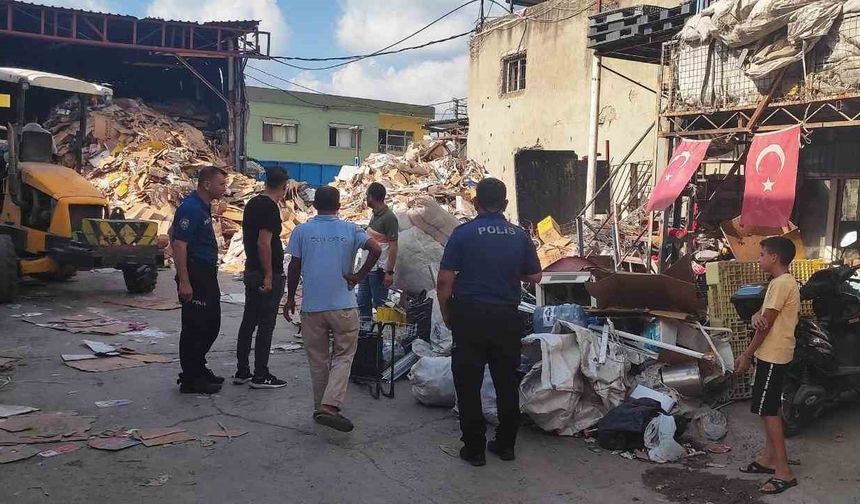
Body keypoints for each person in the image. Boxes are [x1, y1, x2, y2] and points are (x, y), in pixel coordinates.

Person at [436, 178, 542, 467]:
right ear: (505, 205)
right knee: (506, 382)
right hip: (506, 317)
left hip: (469, 317)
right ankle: (506, 445)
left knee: (468, 385)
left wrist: (448, 314)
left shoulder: (463, 234)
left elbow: (445, 280)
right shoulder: (519, 236)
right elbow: (535, 277)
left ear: (475, 203)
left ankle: (474, 449)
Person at [284, 186, 381, 432]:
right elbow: (376, 249)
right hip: (344, 306)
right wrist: (358, 276)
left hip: (313, 308)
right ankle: (330, 405)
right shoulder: (350, 229)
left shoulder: (302, 231)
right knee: (344, 356)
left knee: (318, 360)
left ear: (314, 205)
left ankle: (322, 407)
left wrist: (290, 298)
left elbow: (294, 266)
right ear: (339, 206)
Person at [735, 236, 800, 495]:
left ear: (774, 257)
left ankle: (783, 471)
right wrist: (755, 316)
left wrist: (747, 355)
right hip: (773, 353)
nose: (759, 258)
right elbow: (762, 319)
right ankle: (768, 458)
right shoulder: (779, 283)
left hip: (772, 354)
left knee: (768, 410)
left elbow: (766, 324)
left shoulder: (782, 283)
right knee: (769, 407)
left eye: (762, 254)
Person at [171, 166, 228, 394]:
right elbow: (179, 245)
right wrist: (185, 282)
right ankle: (191, 378)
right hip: (195, 273)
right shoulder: (191, 208)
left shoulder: (203, 206)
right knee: (196, 326)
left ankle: (198, 366)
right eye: (221, 184)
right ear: (207, 185)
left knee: (211, 324)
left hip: (206, 273)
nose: (225, 188)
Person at [233, 167, 290, 389]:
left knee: (249, 321)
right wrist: (268, 276)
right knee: (266, 324)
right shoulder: (270, 209)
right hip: (266, 273)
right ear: (284, 186)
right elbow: (263, 243)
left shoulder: (252, 204)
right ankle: (261, 374)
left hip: (251, 270)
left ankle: (242, 370)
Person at [357, 182, 398, 328]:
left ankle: (381, 337)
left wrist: (389, 272)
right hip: (367, 267)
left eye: (367, 195)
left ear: (372, 197)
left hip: (379, 269)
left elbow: (393, 246)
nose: (366, 199)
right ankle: (365, 333)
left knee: (379, 304)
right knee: (362, 301)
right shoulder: (375, 215)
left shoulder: (389, 218)